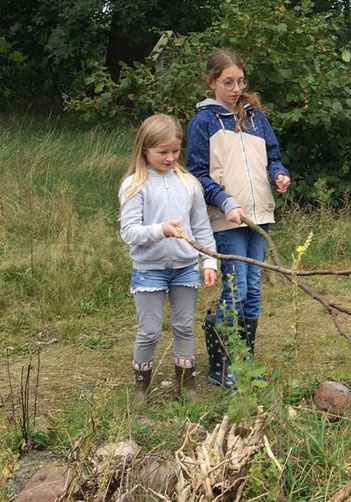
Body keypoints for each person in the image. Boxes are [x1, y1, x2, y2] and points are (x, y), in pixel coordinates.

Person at [186, 48, 291, 390]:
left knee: (254, 291)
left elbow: (273, 157)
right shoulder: (202, 123)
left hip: (260, 216)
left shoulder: (256, 118)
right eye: (227, 82)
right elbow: (197, 174)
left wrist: (279, 174)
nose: (235, 88)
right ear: (211, 82)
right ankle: (223, 366)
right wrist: (225, 200)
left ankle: (244, 363)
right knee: (236, 290)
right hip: (226, 219)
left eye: (240, 81)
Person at [119, 114, 218, 405]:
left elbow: (201, 228)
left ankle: (186, 386)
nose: (170, 157)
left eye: (175, 151)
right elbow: (129, 232)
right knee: (149, 331)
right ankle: (141, 388)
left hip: (186, 268)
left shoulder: (189, 183)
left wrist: (209, 262)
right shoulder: (134, 185)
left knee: (184, 327)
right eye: (162, 152)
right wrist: (160, 230)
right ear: (144, 150)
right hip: (149, 271)